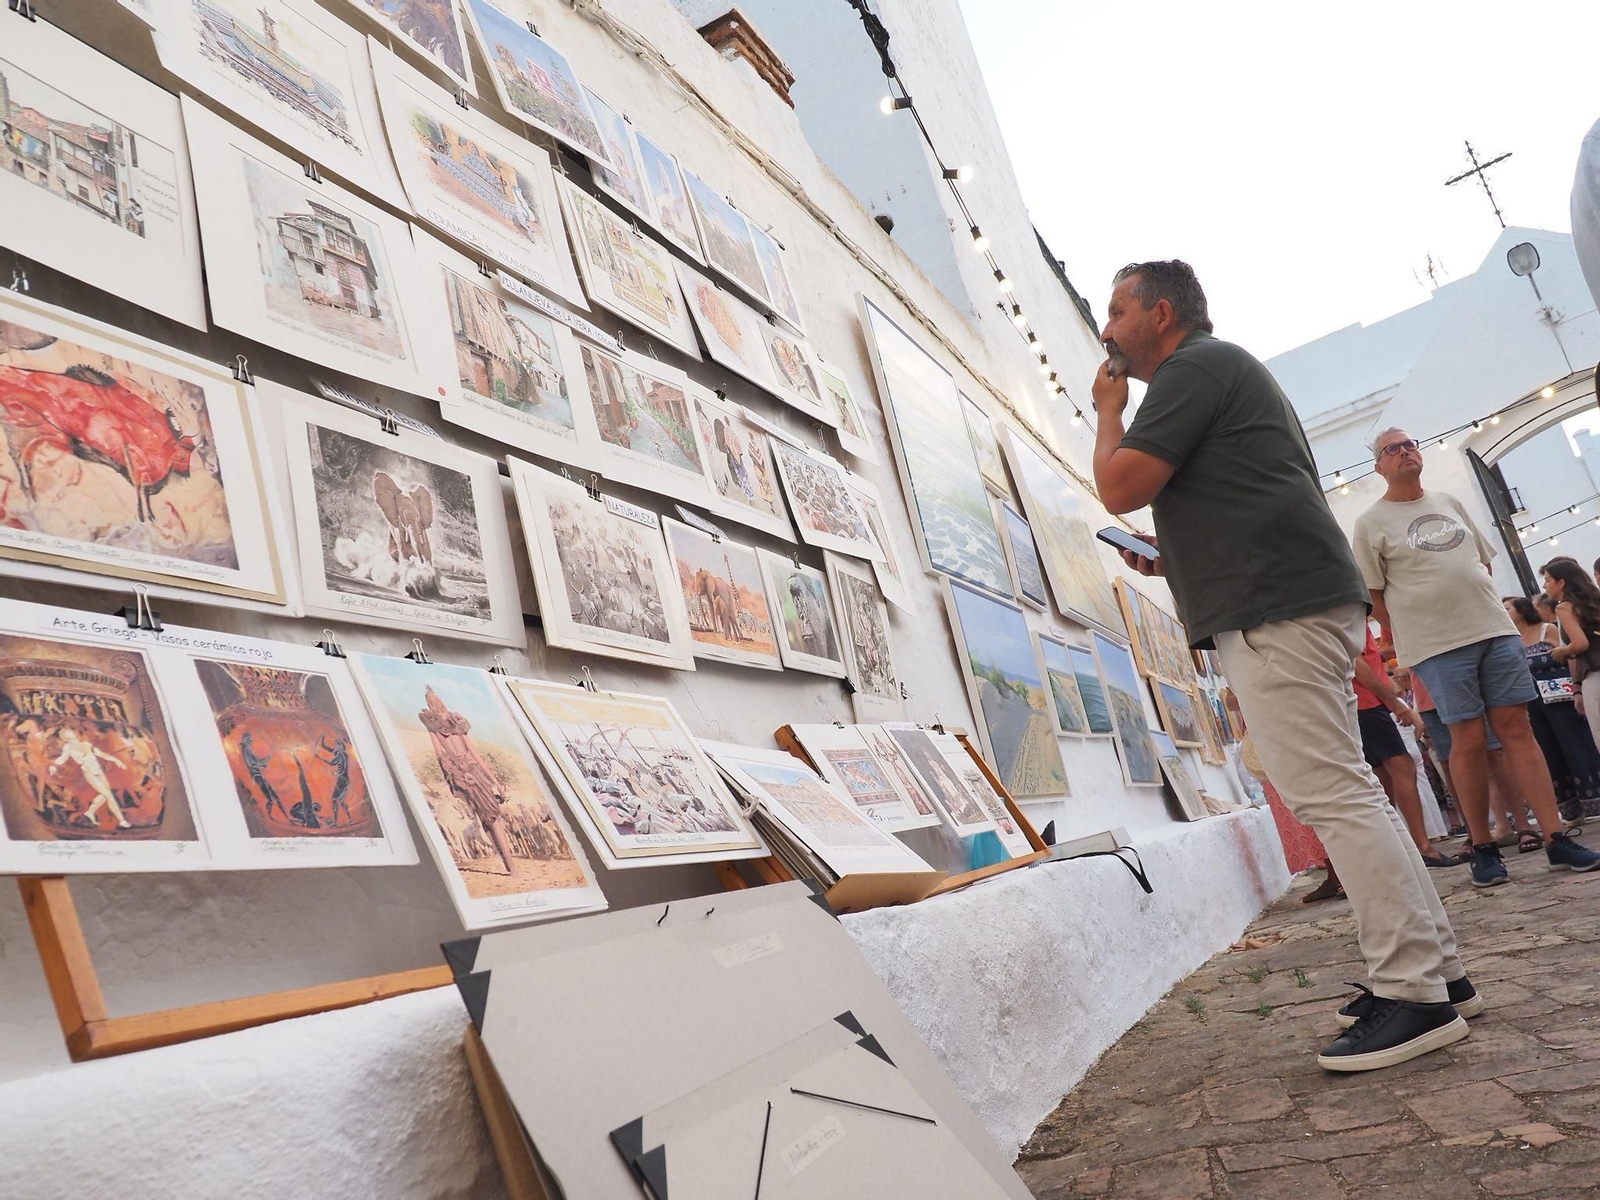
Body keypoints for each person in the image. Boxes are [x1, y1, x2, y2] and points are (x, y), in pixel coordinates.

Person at [1092, 259, 1471, 1072]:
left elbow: (1118, 486)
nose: (1106, 328)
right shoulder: (1217, 370)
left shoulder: (1190, 369)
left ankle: (1416, 993)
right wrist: (1177, 553)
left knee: (1335, 793)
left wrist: (1107, 411)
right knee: (1351, 788)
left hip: (1277, 608)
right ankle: (1437, 970)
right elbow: (1244, 496)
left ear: (1161, 315)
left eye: (1117, 310)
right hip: (1294, 595)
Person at [1351, 429, 1598, 887]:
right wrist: (1414, 633)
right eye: (1392, 449)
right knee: (1466, 740)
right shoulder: (1371, 523)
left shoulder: (1449, 502)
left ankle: (1555, 837)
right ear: (1378, 466)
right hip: (1438, 645)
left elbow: (1482, 563)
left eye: (1410, 444)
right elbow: (1375, 597)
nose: (1405, 451)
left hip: (1493, 631)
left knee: (1518, 730)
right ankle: (1483, 846)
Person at [1351, 628, 1462, 867]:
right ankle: (1422, 847)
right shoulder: (1348, 615)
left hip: (1364, 703)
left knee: (1384, 777)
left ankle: (1397, 847)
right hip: (1367, 703)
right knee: (1402, 768)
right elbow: (1356, 661)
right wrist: (1392, 701)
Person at [1504, 591, 1600, 825]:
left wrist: (1576, 688)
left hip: (1561, 699)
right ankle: (1570, 808)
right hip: (1533, 704)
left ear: (1522, 610)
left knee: (1577, 746)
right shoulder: (1510, 640)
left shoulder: (1547, 630)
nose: (1504, 612)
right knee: (1550, 752)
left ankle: (1594, 800)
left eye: (1508, 608)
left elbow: (1571, 657)